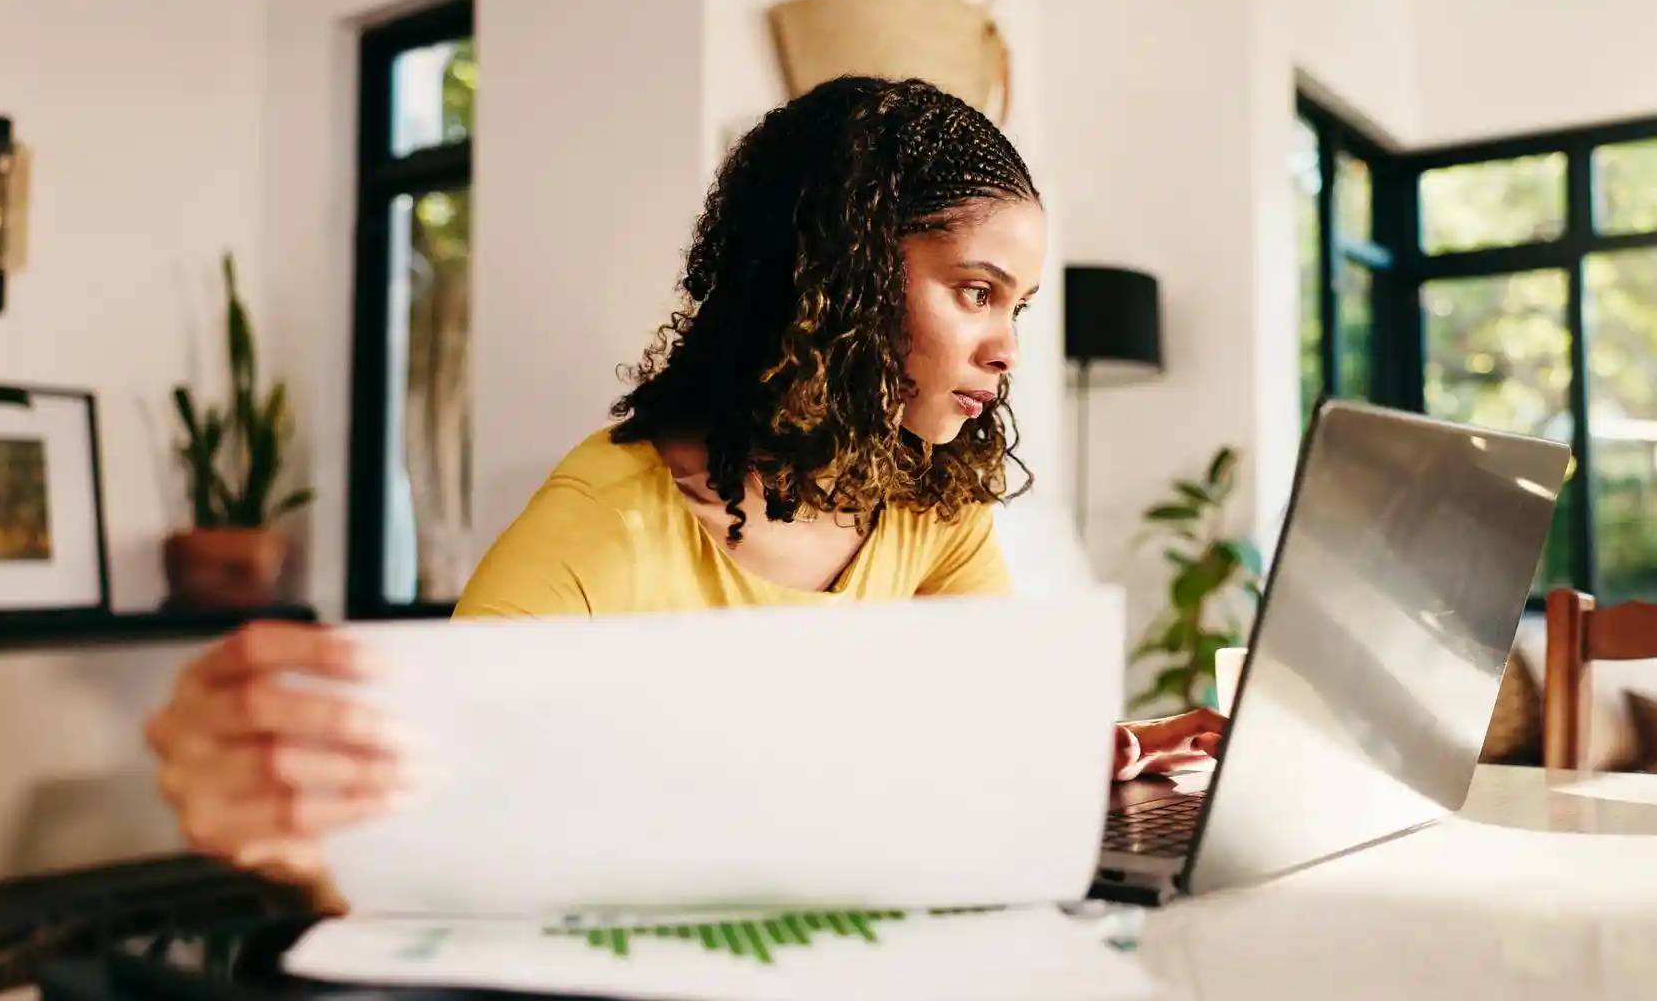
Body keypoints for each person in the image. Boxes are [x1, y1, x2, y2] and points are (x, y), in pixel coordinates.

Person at [143, 76, 1225, 896]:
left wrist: (1112, 745)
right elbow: (421, 837)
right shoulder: (598, 532)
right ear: (831, 279)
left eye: (1016, 307)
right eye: (974, 291)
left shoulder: (929, 503)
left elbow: (971, 733)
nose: (1003, 347)